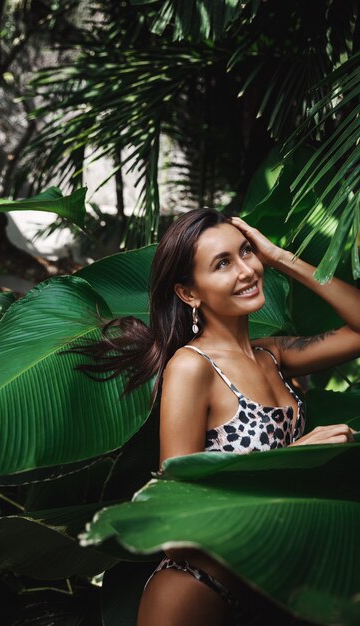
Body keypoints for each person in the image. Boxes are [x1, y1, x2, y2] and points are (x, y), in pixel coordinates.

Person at [77, 209, 359, 626]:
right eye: (222, 263)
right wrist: (294, 456)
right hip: (197, 592)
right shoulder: (192, 368)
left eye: (247, 252)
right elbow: (174, 521)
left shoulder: (273, 356)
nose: (247, 270)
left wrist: (281, 257)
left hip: (267, 590)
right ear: (190, 293)